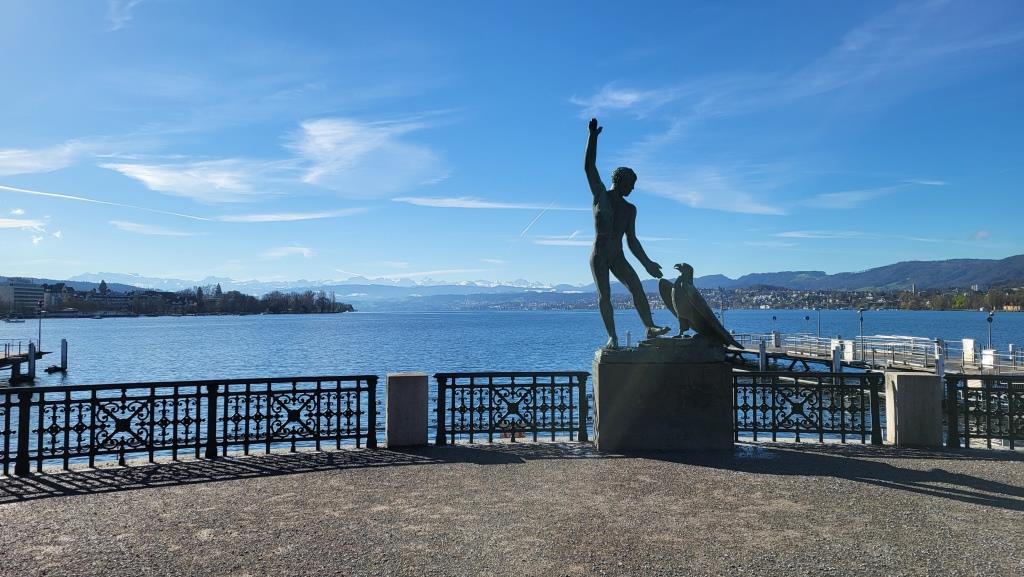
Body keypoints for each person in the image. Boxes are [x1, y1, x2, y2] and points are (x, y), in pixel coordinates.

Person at [585, 117, 669, 348]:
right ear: (620, 181)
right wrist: (592, 137)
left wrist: (647, 263)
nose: (633, 188)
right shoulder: (600, 196)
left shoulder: (630, 209)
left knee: (636, 286)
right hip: (600, 253)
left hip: (618, 254)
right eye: (631, 183)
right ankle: (612, 337)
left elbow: (632, 240)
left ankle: (650, 327)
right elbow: (589, 168)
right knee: (605, 295)